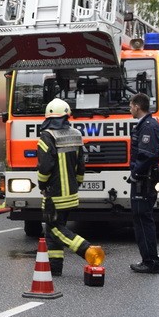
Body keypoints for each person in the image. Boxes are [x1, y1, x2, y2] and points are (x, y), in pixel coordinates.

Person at [35, 98, 102, 276]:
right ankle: (55, 268)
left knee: (55, 229)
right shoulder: (75, 134)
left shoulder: (47, 136)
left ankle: (87, 250)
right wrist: (77, 183)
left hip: (54, 194)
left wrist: (42, 184)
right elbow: (81, 165)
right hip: (71, 192)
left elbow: (45, 167)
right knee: (52, 231)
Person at [129, 92, 159, 274]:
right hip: (146, 178)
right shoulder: (148, 125)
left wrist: (135, 174)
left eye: (131, 106)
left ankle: (151, 261)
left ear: (137, 106)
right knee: (142, 218)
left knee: (143, 219)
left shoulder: (148, 127)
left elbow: (147, 155)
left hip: (144, 180)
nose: (130, 109)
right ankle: (149, 259)